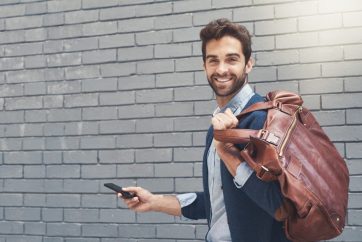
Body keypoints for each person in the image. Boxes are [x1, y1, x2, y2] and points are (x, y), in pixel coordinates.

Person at [119, 18, 290, 242]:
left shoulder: (262, 121)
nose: (221, 69)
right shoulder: (218, 126)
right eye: (213, 60)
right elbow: (216, 204)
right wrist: (154, 201)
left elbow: (280, 207)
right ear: (204, 66)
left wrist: (226, 149)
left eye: (231, 59)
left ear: (248, 64)